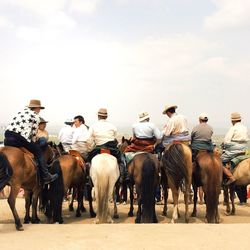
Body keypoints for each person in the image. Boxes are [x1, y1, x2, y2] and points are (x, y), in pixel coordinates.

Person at [4, 99, 58, 184]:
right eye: (39, 108)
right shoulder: (35, 116)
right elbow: (33, 134)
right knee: (39, 153)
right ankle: (46, 176)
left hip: (7, 137)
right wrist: (35, 143)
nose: (39, 110)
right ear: (36, 108)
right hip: (19, 139)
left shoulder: (21, 112)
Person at [221, 112, 249, 185]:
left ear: (232, 121)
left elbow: (226, 141)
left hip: (234, 150)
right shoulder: (245, 128)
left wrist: (224, 145)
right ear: (240, 120)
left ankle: (230, 177)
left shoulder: (233, 128)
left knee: (220, 161)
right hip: (245, 149)